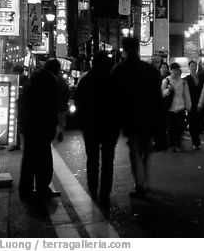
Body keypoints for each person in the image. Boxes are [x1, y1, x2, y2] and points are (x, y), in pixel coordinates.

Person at [109, 37, 165, 201]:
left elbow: (113, 98)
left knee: (135, 151)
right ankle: (143, 181)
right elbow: (157, 98)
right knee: (144, 150)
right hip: (148, 117)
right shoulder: (149, 70)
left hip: (130, 118)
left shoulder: (119, 70)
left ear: (124, 49)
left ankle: (139, 183)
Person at [75, 51, 120, 208]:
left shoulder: (85, 80)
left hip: (90, 126)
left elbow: (79, 102)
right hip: (109, 126)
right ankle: (104, 194)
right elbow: (119, 104)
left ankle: (93, 189)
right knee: (108, 161)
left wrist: (82, 122)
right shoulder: (113, 80)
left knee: (92, 158)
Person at [18, 58, 65, 200]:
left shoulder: (32, 80)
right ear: (57, 70)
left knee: (29, 158)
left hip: (29, 125)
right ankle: (42, 189)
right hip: (42, 127)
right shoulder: (51, 82)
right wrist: (57, 126)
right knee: (43, 159)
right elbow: (51, 107)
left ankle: (25, 189)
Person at [162, 62, 191, 152]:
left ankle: (178, 141)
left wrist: (188, 105)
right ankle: (173, 145)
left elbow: (186, 95)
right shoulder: (166, 80)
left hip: (180, 107)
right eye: (173, 70)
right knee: (171, 128)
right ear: (170, 70)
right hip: (170, 108)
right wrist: (168, 90)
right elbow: (162, 93)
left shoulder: (183, 82)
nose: (175, 72)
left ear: (179, 71)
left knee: (180, 126)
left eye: (177, 70)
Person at [184, 60, 204, 150]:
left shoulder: (202, 77)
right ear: (189, 67)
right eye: (191, 66)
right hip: (191, 103)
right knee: (192, 123)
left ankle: (197, 137)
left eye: (194, 66)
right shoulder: (186, 79)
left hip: (201, 103)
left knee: (200, 123)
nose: (193, 67)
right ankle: (196, 142)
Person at [9, 65, 29, 151]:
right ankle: (17, 144)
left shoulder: (27, 82)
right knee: (15, 125)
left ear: (21, 73)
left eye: (16, 73)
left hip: (24, 107)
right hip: (15, 105)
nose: (14, 75)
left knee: (23, 126)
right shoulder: (13, 80)